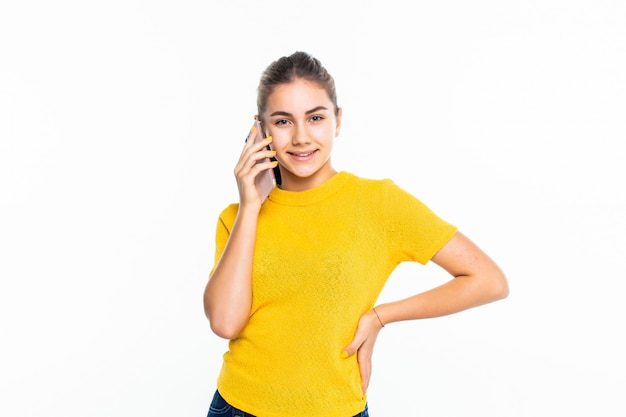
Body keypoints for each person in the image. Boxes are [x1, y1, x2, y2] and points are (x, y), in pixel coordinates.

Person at [203, 51, 509, 417]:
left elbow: (489, 280)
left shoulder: (378, 203)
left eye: (315, 118)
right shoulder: (237, 217)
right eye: (283, 121)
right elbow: (224, 323)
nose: (301, 137)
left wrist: (381, 316)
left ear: (338, 120)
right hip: (238, 406)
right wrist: (251, 204)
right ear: (260, 130)